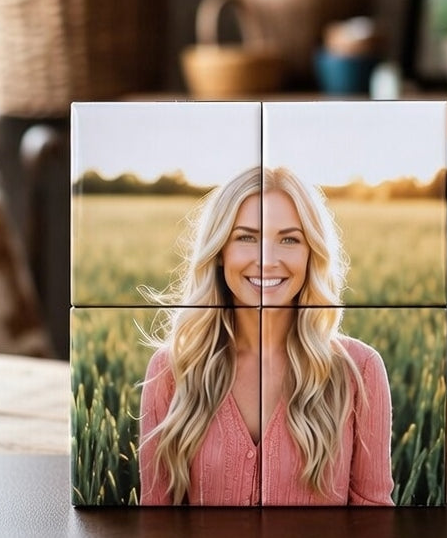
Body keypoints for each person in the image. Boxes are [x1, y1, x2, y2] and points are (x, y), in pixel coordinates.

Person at [138, 165, 394, 506]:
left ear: (310, 255)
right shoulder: (171, 370)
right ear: (219, 252)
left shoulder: (359, 371)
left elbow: (375, 523)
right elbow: (155, 526)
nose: (267, 260)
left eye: (289, 239)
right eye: (246, 237)